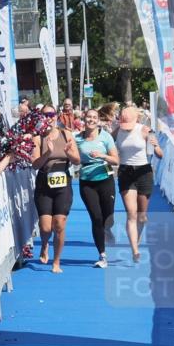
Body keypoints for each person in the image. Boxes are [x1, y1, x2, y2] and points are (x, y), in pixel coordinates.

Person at [31, 104, 80, 273]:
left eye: (51, 114)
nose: (49, 117)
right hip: (44, 183)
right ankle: (44, 244)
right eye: (45, 115)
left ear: (56, 116)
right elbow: (34, 165)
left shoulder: (66, 134)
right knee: (45, 228)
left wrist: (68, 153)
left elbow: (77, 160)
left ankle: (56, 261)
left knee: (59, 224)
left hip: (63, 183)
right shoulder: (37, 138)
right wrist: (47, 153)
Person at [115, 106, 162, 262]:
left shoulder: (145, 130)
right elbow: (108, 145)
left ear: (136, 119)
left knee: (141, 217)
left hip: (143, 172)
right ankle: (135, 250)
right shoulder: (117, 131)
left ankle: (137, 237)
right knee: (131, 213)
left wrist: (155, 144)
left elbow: (160, 154)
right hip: (125, 172)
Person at [75, 108, 119, 268]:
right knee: (96, 218)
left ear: (98, 120)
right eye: (89, 117)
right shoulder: (77, 138)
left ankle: (108, 229)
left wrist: (102, 156)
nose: (91, 120)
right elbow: (72, 158)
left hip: (105, 179)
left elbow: (116, 160)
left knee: (108, 217)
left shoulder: (105, 136)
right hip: (87, 182)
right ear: (84, 119)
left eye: (94, 117)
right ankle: (102, 255)